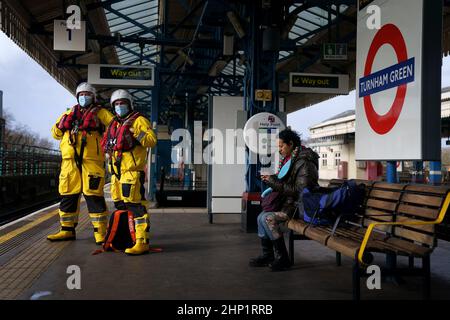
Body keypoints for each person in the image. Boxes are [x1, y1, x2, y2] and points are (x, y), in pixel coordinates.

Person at [47, 82, 114, 244]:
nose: (84, 97)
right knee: (67, 195)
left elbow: (115, 128)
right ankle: (66, 230)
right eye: (81, 94)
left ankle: (100, 232)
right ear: (77, 97)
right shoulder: (68, 113)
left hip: (91, 162)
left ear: (93, 97)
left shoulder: (101, 113)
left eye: (87, 94)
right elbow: (55, 133)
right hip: (69, 162)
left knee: (94, 196)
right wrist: (61, 123)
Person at [249, 129, 320, 271]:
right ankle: (268, 255)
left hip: (299, 207)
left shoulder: (304, 163)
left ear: (291, 144)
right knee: (260, 217)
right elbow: (286, 183)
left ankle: (283, 258)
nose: (279, 150)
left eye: (281, 146)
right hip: (288, 204)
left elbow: (300, 191)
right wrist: (271, 179)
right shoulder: (291, 160)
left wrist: (273, 182)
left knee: (268, 218)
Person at [102, 89, 157, 255]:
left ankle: (142, 242)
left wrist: (137, 134)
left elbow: (152, 140)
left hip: (132, 173)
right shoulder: (114, 124)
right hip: (117, 174)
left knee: (136, 207)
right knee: (120, 205)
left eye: (122, 103)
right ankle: (128, 238)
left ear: (129, 104)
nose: (119, 107)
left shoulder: (138, 120)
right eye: (116, 104)